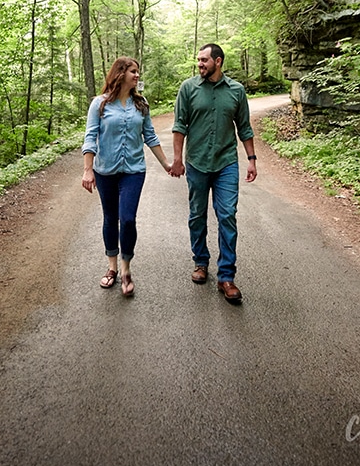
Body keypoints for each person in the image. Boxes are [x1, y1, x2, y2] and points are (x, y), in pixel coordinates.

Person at [168, 43, 256, 304]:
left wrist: (251, 160)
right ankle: (201, 262)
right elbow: (179, 125)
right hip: (196, 162)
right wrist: (177, 160)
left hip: (226, 163)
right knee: (197, 215)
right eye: (198, 60)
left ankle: (226, 277)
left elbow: (244, 128)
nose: (200, 64)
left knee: (227, 215)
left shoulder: (236, 91)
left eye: (204, 60)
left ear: (218, 62)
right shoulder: (188, 88)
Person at [82, 56, 171, 297]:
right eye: (133, 71)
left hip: (133, 170)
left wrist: (166, 164)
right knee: (111, 218)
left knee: (128, 218)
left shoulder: (141, 105)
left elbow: (150, 136)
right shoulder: (99, 105)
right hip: (105, 171)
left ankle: (126, 269)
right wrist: (88, 169)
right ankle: (111, 267)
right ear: (120, 73)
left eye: (138, 71)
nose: (137, 75)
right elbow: (90, 137)